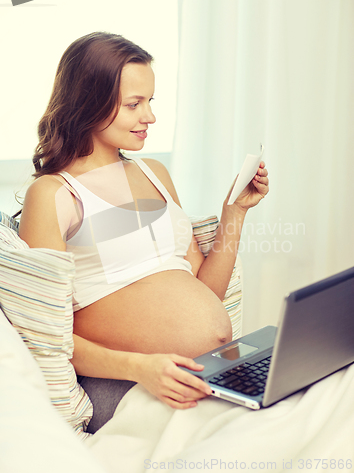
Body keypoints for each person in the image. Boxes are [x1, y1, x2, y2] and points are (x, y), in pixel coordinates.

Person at [19, 32, 269, 433]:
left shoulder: (156, 175)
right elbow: (45, 335)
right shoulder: (54, 194)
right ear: (88, 102)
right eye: (134, 104)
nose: (149, 116)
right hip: (125, 381)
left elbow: (207, 295)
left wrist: (234, 213)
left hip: (199, 370)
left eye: (151, 101)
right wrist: (143, 368)